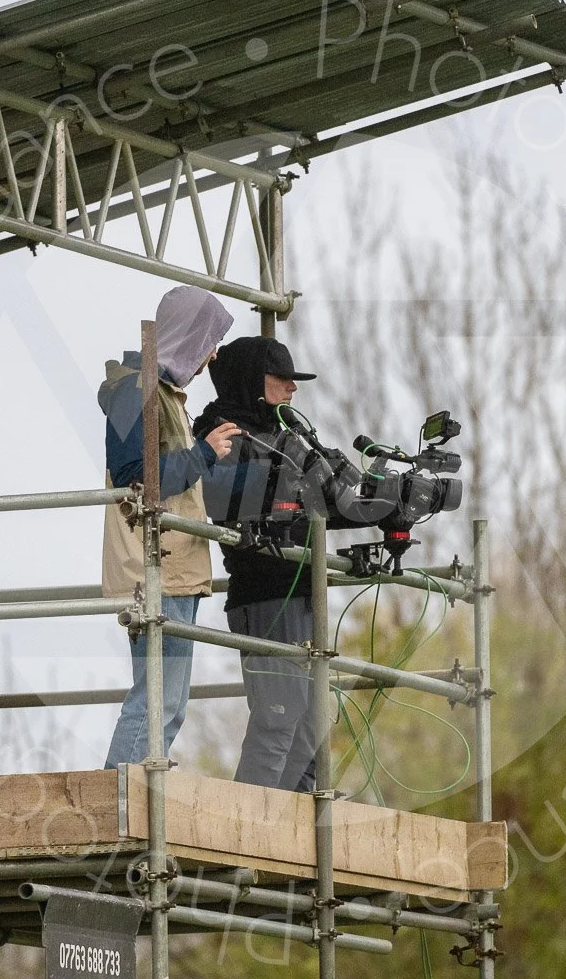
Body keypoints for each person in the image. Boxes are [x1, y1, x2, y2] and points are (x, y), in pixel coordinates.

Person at [99, 285, 240, 769]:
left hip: (172, 565)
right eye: (210, 339)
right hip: (155, 567)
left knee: (168, 706)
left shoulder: (161, 395)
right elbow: (135, 479)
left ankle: (136, 799)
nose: (213, 354)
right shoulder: (135, 391)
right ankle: (117, 801)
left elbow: (164, 475)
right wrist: (204, 453)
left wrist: (206, 456)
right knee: (155, 702)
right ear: (189, 335)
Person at [193, 336, 320, 792]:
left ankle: (301, 815)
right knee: (278, 717)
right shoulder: (219, 433)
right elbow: (228, 499)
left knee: (311, 723)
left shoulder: (290, 435)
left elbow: (329, 496)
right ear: (252, 381)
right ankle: (246, 821)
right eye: (281, 378)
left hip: (304, 589)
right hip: (265, 593)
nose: (292, 388)